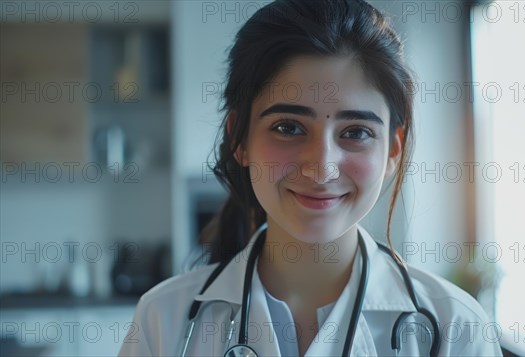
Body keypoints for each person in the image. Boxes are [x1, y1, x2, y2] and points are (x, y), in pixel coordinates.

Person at [119, 0, 503, 356]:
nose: (322, 168)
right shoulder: (163, 319)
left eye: (355, 132)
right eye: (288, 127)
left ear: (392, 150)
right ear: (240, 138)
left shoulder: (457, 327)